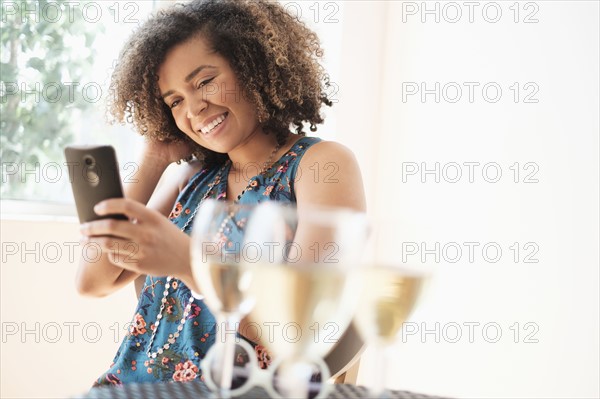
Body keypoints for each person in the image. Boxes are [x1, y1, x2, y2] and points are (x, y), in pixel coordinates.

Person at [78, 0, 366, 386]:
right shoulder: (194, 179)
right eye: (175, 101)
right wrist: (153, 159)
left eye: (205, 82)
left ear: (252, 68)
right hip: (135, 389)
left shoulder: (320, 164)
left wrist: (189, 264)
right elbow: (93, 279)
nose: (195, 107)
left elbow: (302, 331)